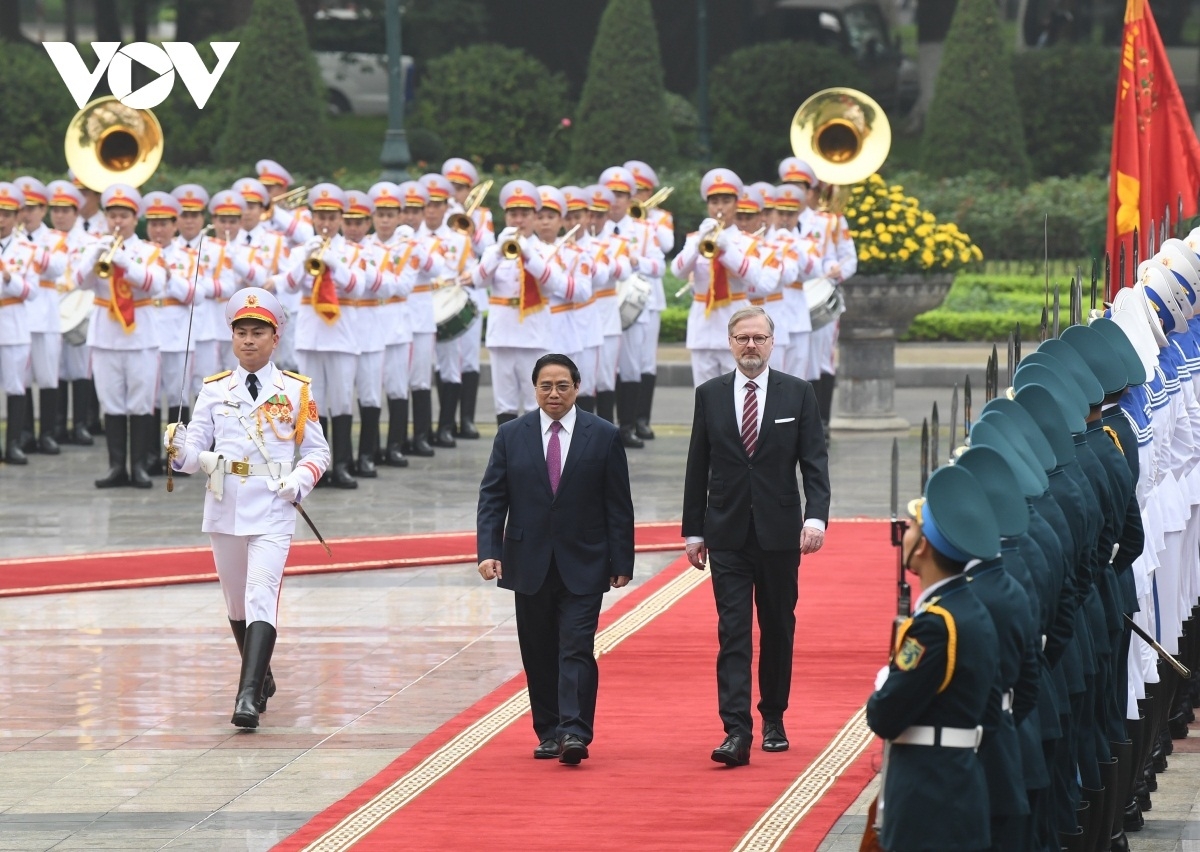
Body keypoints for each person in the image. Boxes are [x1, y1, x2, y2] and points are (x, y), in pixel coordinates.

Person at [166, 287, 330, 729]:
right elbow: (189, 458)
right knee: (236, 603)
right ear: (232, 338)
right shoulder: (214, 391)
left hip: (274, 504)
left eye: (259, 332)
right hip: (225, 501)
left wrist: (298, 481)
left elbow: (319, 452)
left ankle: (246, 698)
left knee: (261, 594)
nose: (249, 340)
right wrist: (178, 449)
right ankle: (261, 676)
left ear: (275, 338)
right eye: (242, 332)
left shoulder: (295, 390)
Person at [681, 305, 831, 765]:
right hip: (726, 532)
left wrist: (816, 517)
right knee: (734, 633)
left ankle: (774, 716)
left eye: (758, 338)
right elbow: (697, 465)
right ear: (729, 343)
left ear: (772, 343)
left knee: (778, 628)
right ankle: (736, 730)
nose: (750, 345)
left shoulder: (798, 393)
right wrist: (693, 531)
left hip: (780, 532)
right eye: (742, 338)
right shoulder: (709, 394)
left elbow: (814, 462)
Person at [476, 353, 635, 764]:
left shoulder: (602, 435)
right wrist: (489, 551)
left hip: (585, 560)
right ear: (535, 389)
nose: (554, 393)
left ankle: (574, 731)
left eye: (562, 385)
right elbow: (493, 497)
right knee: (538, 650)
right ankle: (548, 730)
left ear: (577, 388)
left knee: (576, 647)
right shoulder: (512, 434)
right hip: (527, 561)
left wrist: (622, 561)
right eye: (546, 386)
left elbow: (619, 504)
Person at [866, 465, 1001, 852]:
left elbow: (884, 715)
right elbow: (990, 715)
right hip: (962, 785)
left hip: (926, 797)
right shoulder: (973, 609)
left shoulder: (934, 627)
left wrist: (883, 686)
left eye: (910, 527)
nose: (905, 534)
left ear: (922, 545)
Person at [74, 184, 166, 488]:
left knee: (140, 402)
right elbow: (79, 282)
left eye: (123, 216)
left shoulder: (150, 250)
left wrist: (126, 263)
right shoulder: (94, 245)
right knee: (111, 403)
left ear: (134, 218)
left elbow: (156, 285)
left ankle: (139, 466)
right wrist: (95, 256)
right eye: (112, 215)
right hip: (105, 335)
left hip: (141, 335)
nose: (117, 221)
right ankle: (117, 467)